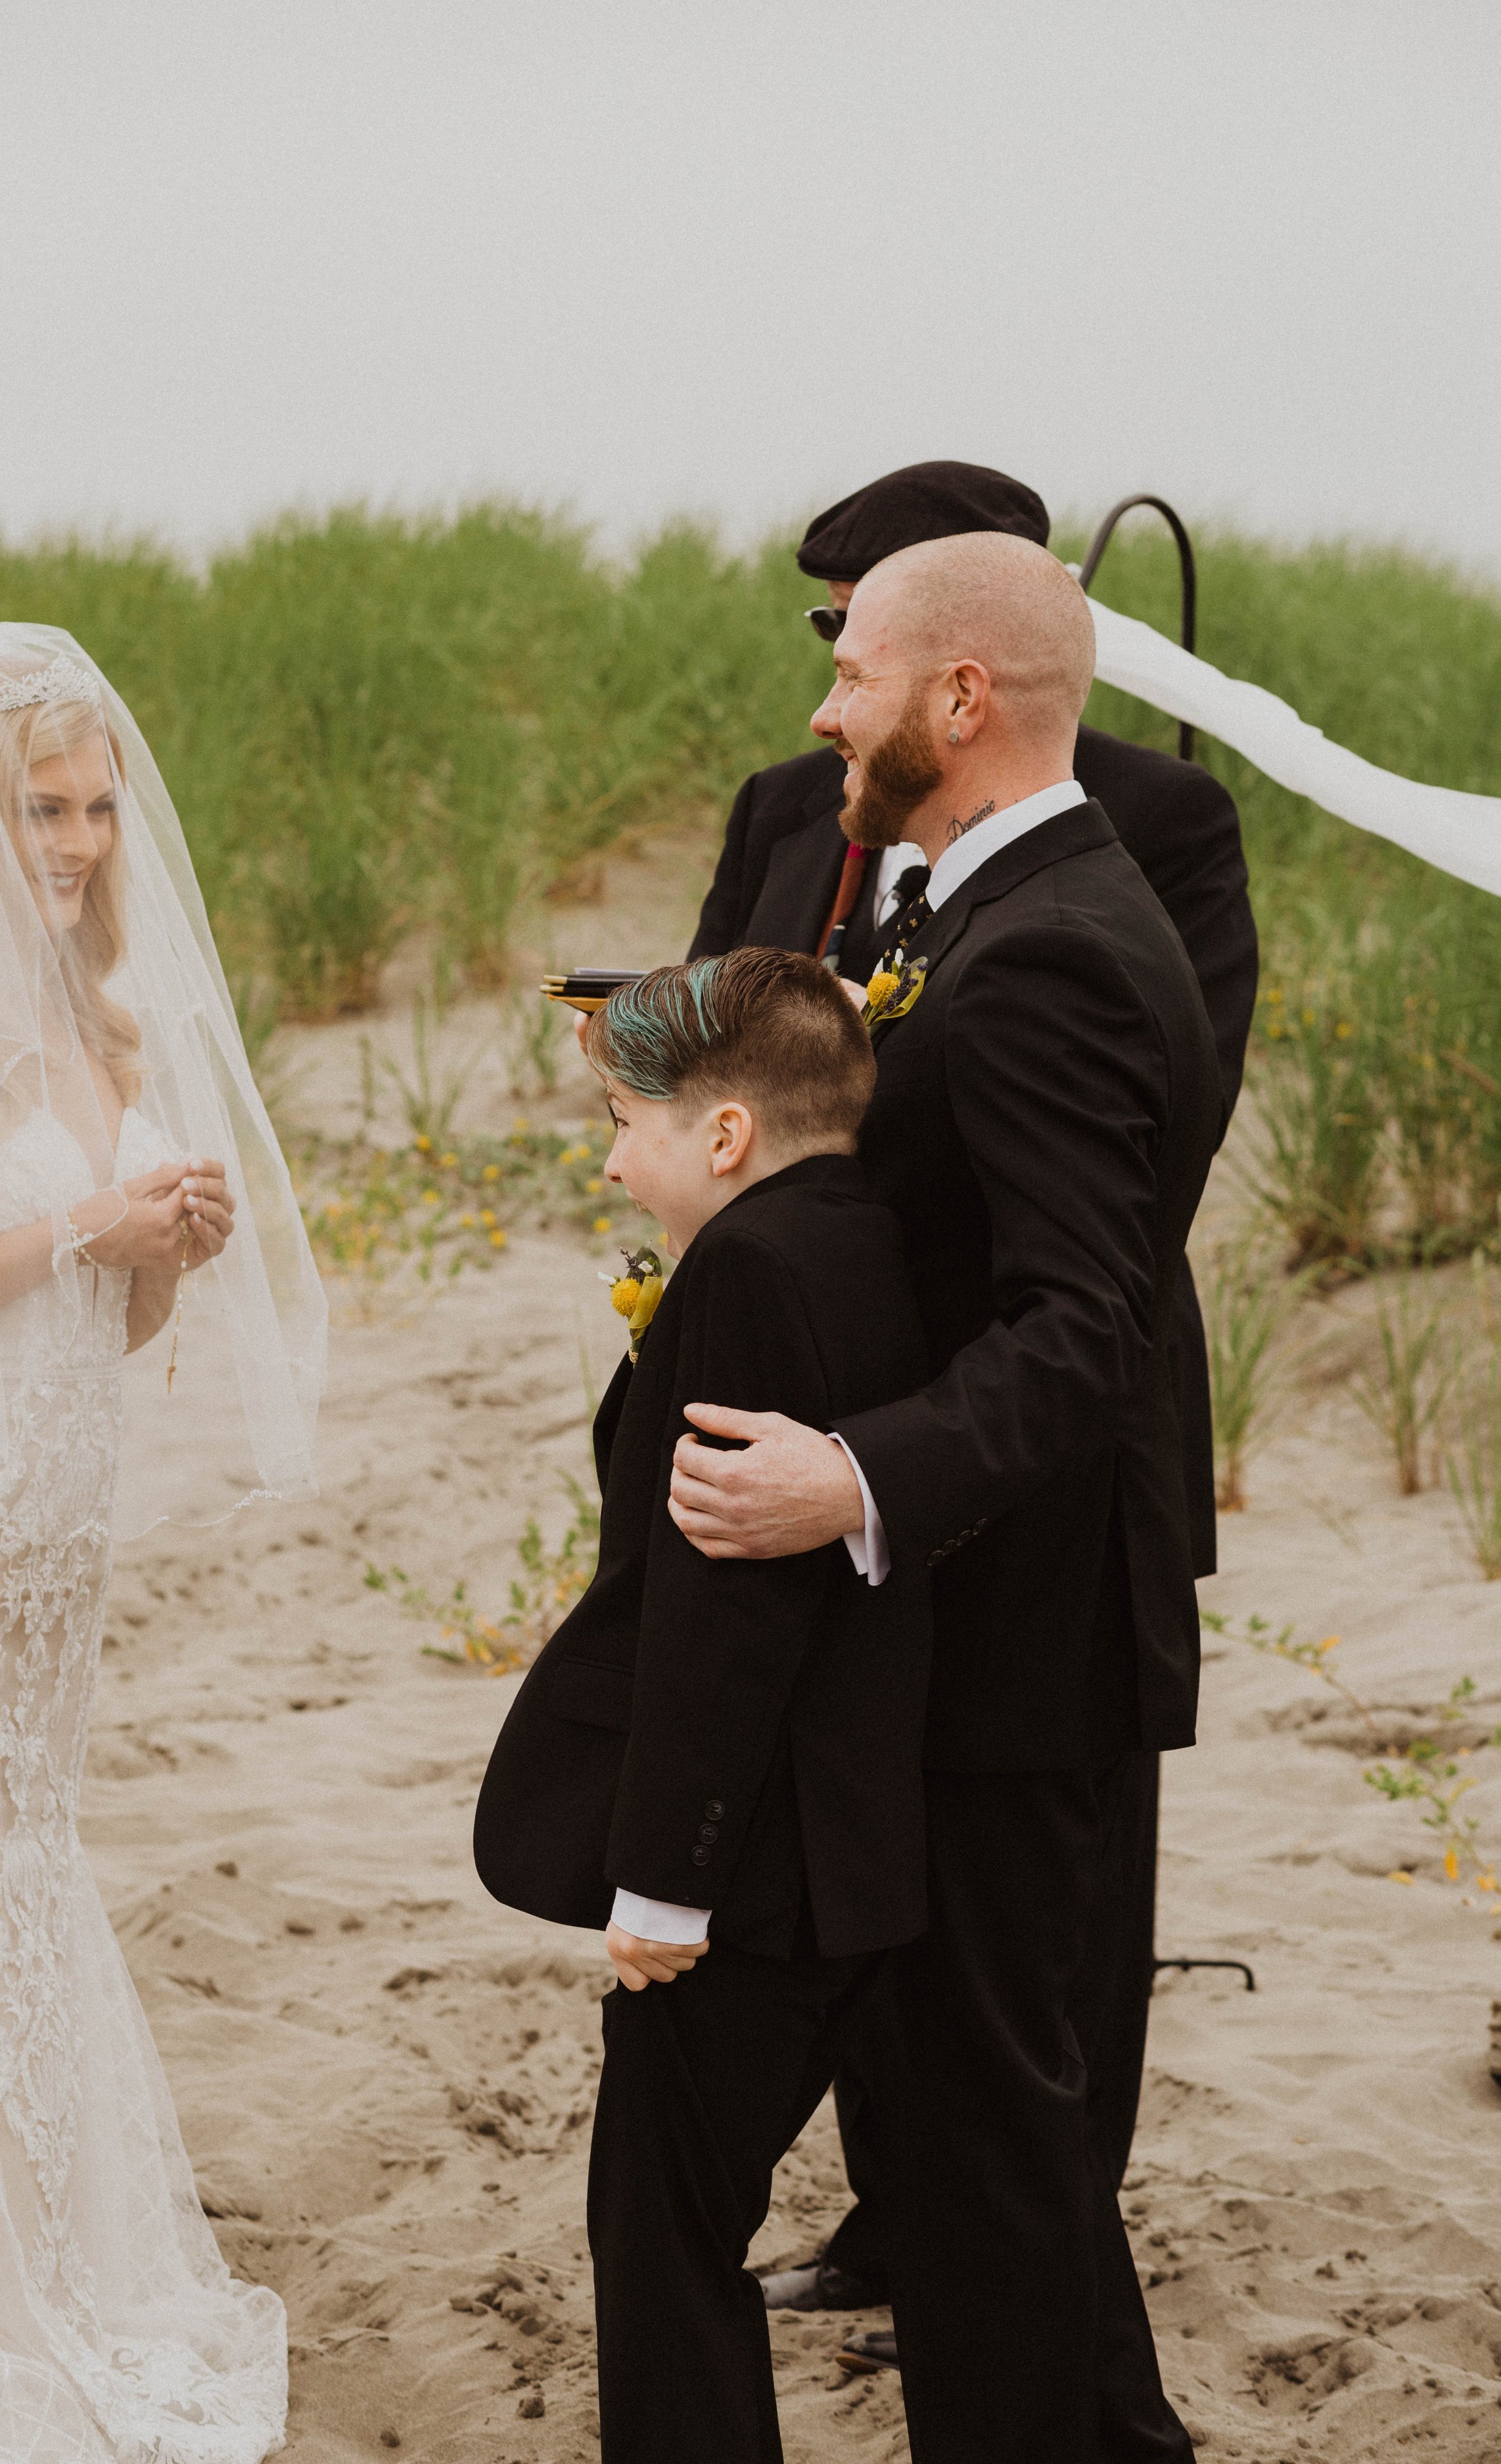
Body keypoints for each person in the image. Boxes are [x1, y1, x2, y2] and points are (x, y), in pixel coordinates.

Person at [668, 534, 1221, 2462]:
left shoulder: (1058, 942)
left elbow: (1086, 1327)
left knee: (988, 2130)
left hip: (1017, 1615)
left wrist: (852, 1476)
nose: (824, 706)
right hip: (991, 1603)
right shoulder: (995, 902)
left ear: (958, 697)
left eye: (855, 672)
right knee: (992, 2107)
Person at [0, 624, 326, 2462]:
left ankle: (25, 2237)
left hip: (57, 1535)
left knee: (14, 1853)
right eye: (36, 805)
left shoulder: (104, 1023)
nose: (70, 837)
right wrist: (81, 1229)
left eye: (91, 802)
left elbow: (110, 1337)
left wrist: (159, 1252)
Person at [473, 948, 933, 2464]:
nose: (609, 1157)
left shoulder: (745, 1269)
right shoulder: (870, 1233)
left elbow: (719, 1615)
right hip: (868, 1842)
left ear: (722, 1135)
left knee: (659, 2235)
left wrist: (664, 1883)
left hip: (754, 1871)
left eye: (624, 1119)